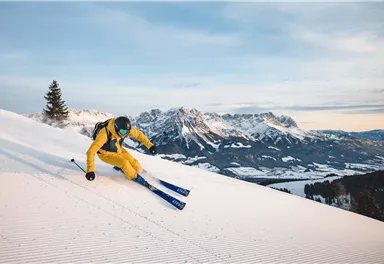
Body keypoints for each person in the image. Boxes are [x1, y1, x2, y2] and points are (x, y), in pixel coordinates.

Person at [85, 116, 157, 181]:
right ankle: (134, 176)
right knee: (124, 163)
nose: (125, 134)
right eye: (123, 132)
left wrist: (150, 146)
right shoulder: (104, 134)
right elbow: (91, 152)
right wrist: (90, 171)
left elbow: (138, 134)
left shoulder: (124, 129)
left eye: (127, 132)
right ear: (116, 128)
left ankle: (139, 171)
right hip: (105, 154)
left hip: (118, 149)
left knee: (134, 162)